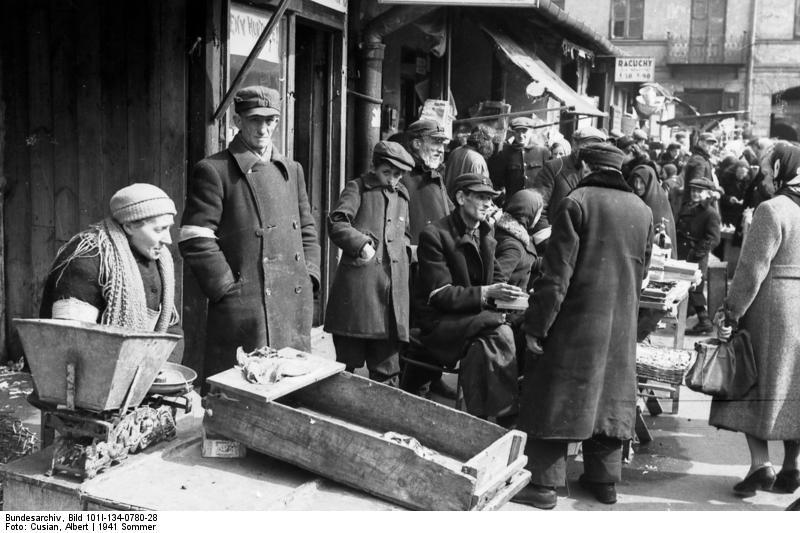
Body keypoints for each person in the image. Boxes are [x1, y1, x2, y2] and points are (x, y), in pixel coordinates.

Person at [514, 143, 653, 510]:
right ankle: (604, 481)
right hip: (620, 322)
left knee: (555, 394)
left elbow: (555, 276)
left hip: (576, 321)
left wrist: (536, 325)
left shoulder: (576, 202)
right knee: (609, 397)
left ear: (588, 166)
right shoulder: (642, 210)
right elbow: (644, 272)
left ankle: (544, 485)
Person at [179, 85, 321, 387]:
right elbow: (194, 237)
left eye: (270, 121)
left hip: (292, 302)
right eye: (255, 120)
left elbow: (307, 229)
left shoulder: (292, 170)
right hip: (248, 306)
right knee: (243, 392)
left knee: (291, 389)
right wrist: (229, 289)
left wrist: (309, 275)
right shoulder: (214, 170)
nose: (263, 128)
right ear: (238, 120)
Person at [709, 142, 800, 498]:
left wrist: (730, 311)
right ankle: (792, 466)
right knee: (794, 388)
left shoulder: (771, 209)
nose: (762, 179)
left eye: (765, 171)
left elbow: (752, 269)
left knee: (752, 383)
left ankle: (761, 464)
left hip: (771, 310)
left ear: (779, 169)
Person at [407, 173, 526, 423]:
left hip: (472, 316)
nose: (487, 204)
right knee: (499, 332)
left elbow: (496, 280)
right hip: (440, 321)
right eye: (481, 198)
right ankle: (503, 416)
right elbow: (440, 295)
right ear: (461, 198)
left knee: (500, 335)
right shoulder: (435, 235)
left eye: (490, 199)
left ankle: (481, 416)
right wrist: (487, 293)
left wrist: (515, 297)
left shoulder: (485, 235)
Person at [41, 183, 181, 347]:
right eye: (159, 229)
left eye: (169, 228)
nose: (168, 240)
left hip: (142, 365)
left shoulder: (161, 260)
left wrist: (161, 364)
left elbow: (171, 328)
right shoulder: (89, 256)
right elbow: (70, 341)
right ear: (129, 226)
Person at [323, 141, 415, 387]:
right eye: (387, 172)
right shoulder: (357, 188)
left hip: (391, 297)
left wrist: (406, 253)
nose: (392, 180)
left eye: (398, 175)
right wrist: (361, 244)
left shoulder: (402, 196)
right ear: (374, 166)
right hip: (359, 294)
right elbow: (337, 223)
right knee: (346, 365)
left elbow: (403, 233)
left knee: (387, 370)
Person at [401, 118, 457, 399]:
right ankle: (413, 385)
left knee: (433, 321)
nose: (440, 149)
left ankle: (431, 377)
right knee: (413, 324)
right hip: (411, 263)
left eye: (443, 145)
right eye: (435, 143)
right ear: (416, 143)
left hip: (434, 262)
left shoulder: (434, 174)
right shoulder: (404, 175)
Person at [529, 127, 607, 253]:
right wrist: (548, 243)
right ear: (575, 144)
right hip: (555, 246)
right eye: (587, 145)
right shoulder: (555, 167)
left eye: (596, 146)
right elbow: (537, 206)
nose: (591, 150)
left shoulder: (602, 173)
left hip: (586, 250)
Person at [676, 177, 721, 335]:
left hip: (696, 256)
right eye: (693, 190)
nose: (694, 193)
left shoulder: (710, 213)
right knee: (682, 286)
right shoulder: (687, 206)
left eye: (699, 191)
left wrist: (696, 253)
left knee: (695, 288)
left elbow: (713, 238)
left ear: (708, 193)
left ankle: (704, 322)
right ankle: (683, 316)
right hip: (683, 253)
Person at [620, 137, 678, 258]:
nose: (637, 186)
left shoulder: (659, 206)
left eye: (642, 182)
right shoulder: (631, 201)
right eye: (635, 181)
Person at [488, 116, 550, 204]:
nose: (520, 135)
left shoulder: (543, 152)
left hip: (537, 204)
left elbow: (548, 181)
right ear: (513, 133)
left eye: (524, 131)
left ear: (531, 131)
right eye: (517, 131)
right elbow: (497, 182)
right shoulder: (505, 153)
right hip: (514, 203)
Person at [443, 124, 494, 194]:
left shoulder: (455, 151)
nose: (491, 145)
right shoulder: (478, 160)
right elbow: (482, 191)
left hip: (448, 201)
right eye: (490, 141)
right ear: (484, 141)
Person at [682, 132, 718, 206]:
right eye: (708, 143)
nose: (710, 146)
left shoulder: (702, 158)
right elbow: (697, 185)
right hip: (697, 204)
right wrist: (713, 187)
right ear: (700, 143)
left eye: (712, 144)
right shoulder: (699, 160)